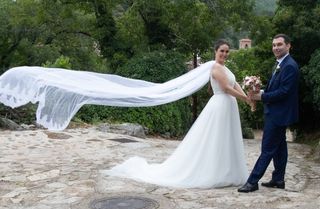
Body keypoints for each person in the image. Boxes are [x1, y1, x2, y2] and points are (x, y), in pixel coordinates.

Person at [102, 39, 252, 188]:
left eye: (227, 51)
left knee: (227, 138)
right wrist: (245, 98)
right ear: (216, 51)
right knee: (217, 139)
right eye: (222, 51)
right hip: (220, 105)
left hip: (229, 106)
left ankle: (228, 171)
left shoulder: (225, 68)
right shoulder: (216, 68)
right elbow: (225, 88)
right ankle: (215, 172)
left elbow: (235, 83)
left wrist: (247, 98)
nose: (224, 54)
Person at [238, 34, 299, 193]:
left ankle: (252, 182)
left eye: (279, 44)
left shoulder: (290, 66)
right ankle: (278, 179)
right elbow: (276, 89)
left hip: (279, 114)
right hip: (276, 112)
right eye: (273, 45)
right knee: (279, 147)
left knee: (267, 148)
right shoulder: (280, 64)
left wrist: (262, 97)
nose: (276, 48)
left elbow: (285, 92)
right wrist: (260, 90)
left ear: (288, 46)